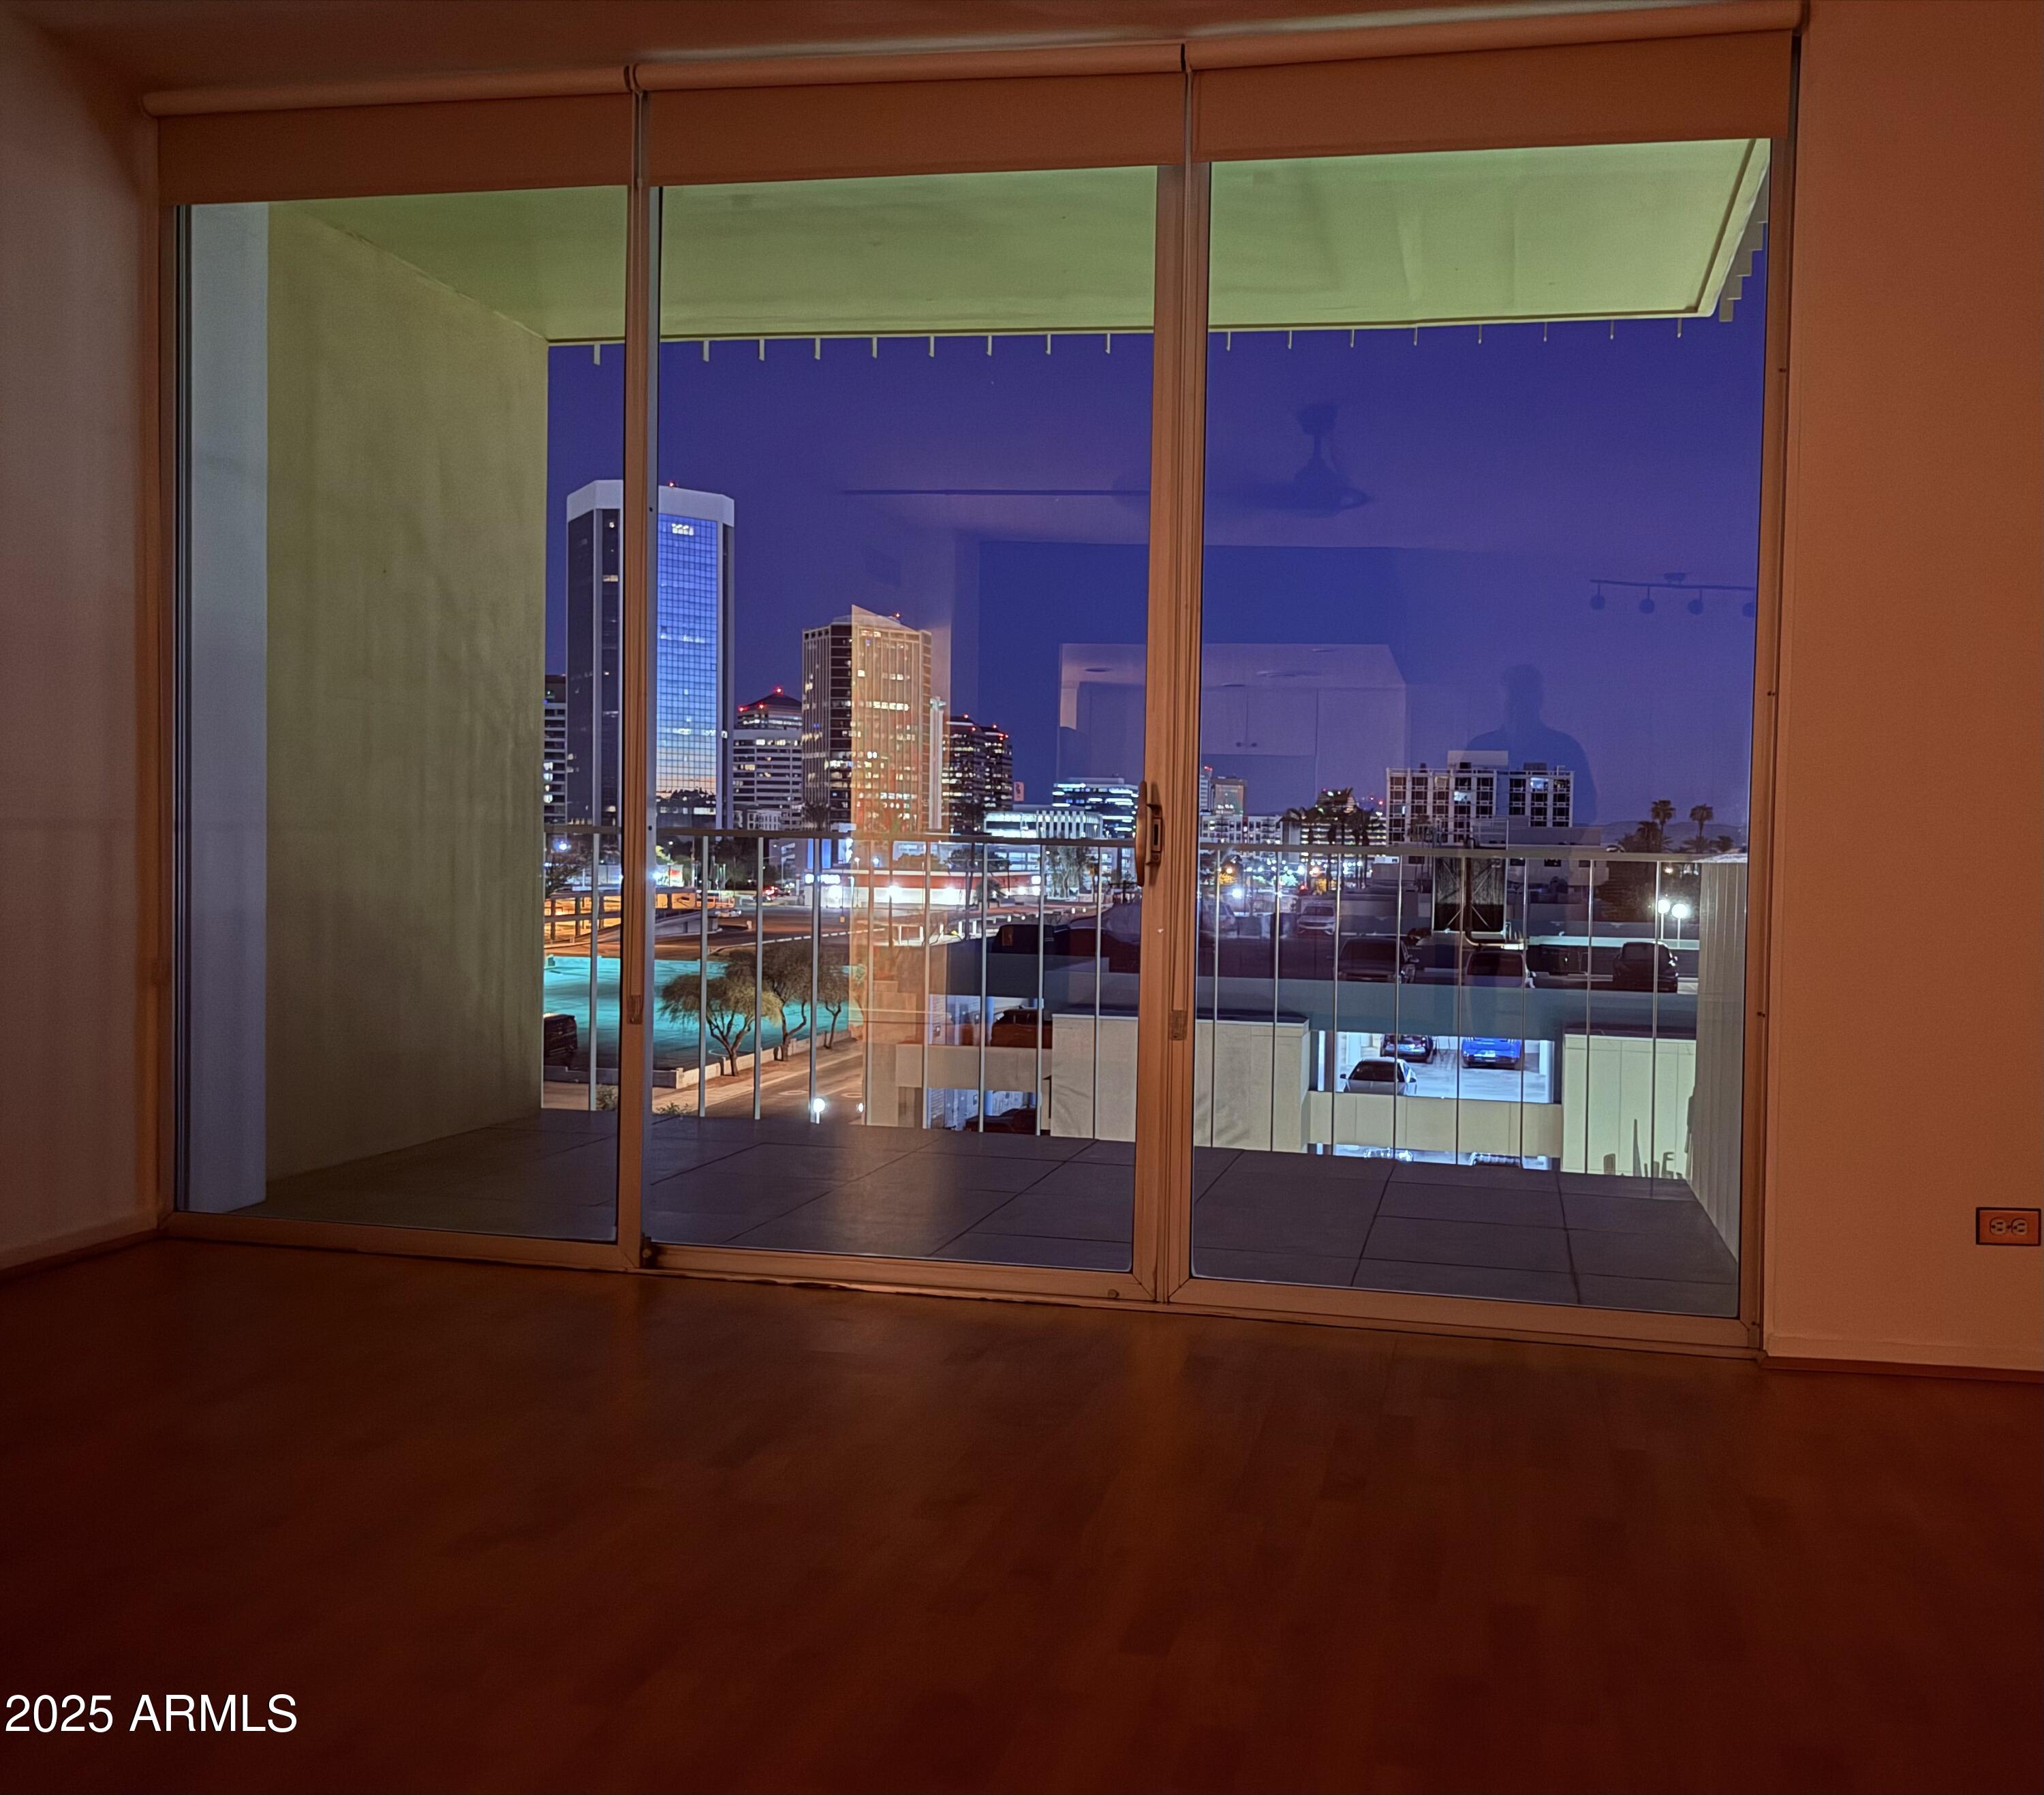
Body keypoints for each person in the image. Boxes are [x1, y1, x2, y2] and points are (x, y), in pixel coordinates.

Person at [1464, 664, 1598, 824]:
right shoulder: (1479, 747)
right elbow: (1460, 799)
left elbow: (1586, 809)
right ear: (1501, 702)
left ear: (1538, 700)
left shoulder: (1566, 748)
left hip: (1549, 844)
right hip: (1488, 842)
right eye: (1512, 701)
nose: (1517, 709)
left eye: (1523, 701)